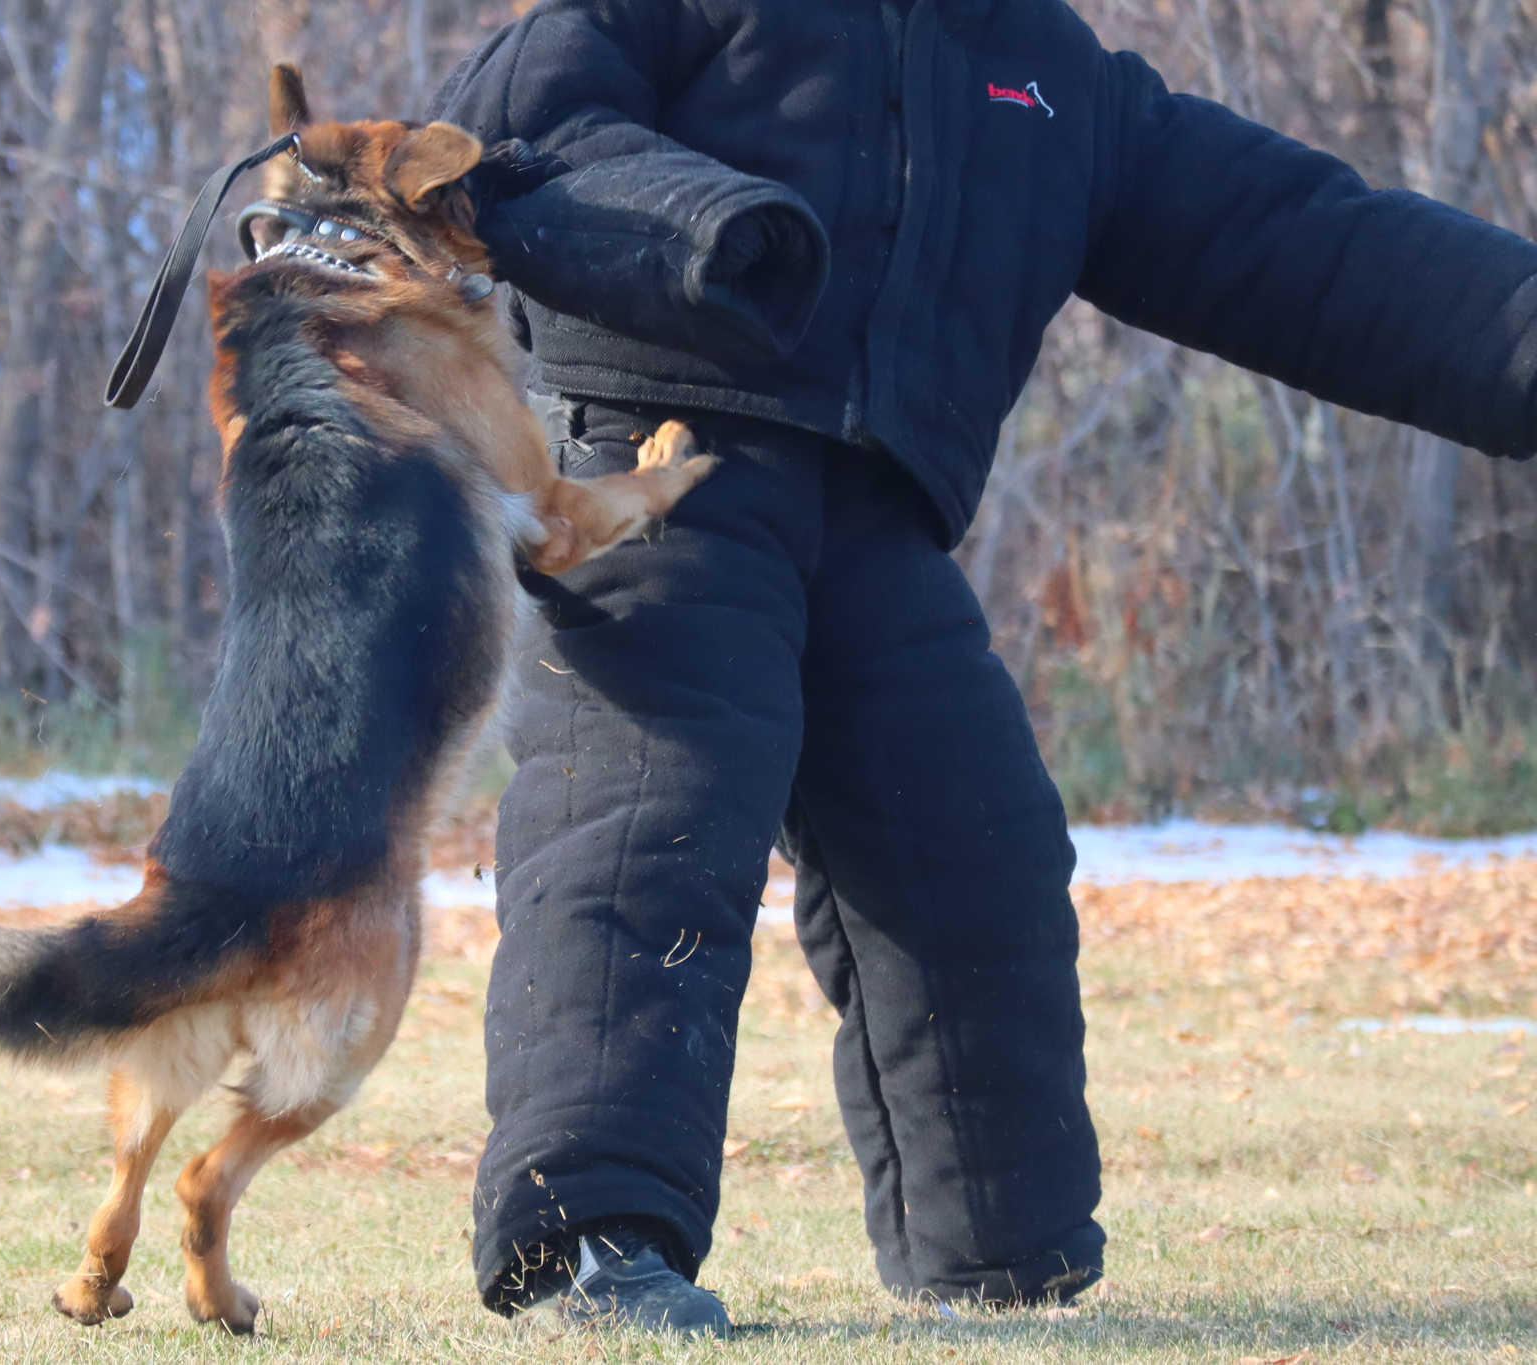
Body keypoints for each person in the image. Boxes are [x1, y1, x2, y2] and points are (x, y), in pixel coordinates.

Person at [429, 0, 1537, 1338]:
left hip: (876, 505)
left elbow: (1297, 241)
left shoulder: (1052, 75)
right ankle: (592, 1236)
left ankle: (1000, 1267)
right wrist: (699, 225)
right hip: (650, 455)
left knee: (975, 848)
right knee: (646, 812)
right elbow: (510, 126)